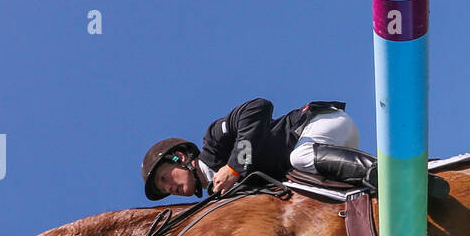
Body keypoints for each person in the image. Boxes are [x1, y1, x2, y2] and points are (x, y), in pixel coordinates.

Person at [141, 98, 379, 200]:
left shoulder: (214, 141)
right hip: (320, 172)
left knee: (300, 157)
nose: (170, 188)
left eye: (165, 177)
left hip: (317, 126)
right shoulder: (219, 197)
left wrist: (234, 168)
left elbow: (257, 107)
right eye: (165, 189)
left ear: (179, 157)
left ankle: (383, 172)